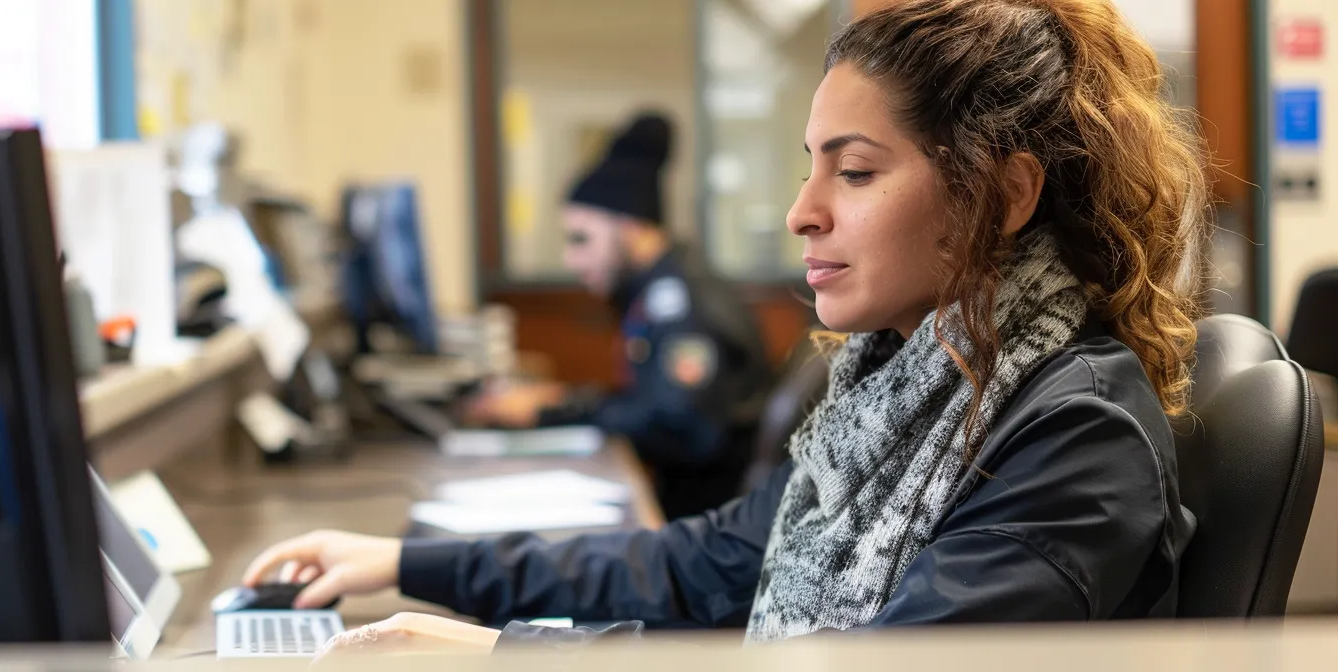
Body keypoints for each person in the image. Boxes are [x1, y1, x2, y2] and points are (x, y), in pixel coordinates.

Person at [244, 0, 1209, 657]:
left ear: (1004, 194)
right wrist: (410, 564)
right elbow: (702, 564)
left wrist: (509, 655)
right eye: (810, 167)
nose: (803, 212)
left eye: (857, 171)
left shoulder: (1078, 432)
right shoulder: (894, 392)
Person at [466, 111, 770, 520]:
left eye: (581, 239)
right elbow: (650, 402)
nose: (570, 259)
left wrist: (549, 412)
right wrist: (561, 399)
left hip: (706, 525)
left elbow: (680, 426)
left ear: (629, 228)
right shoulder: (660, 290)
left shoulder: (680, 305)